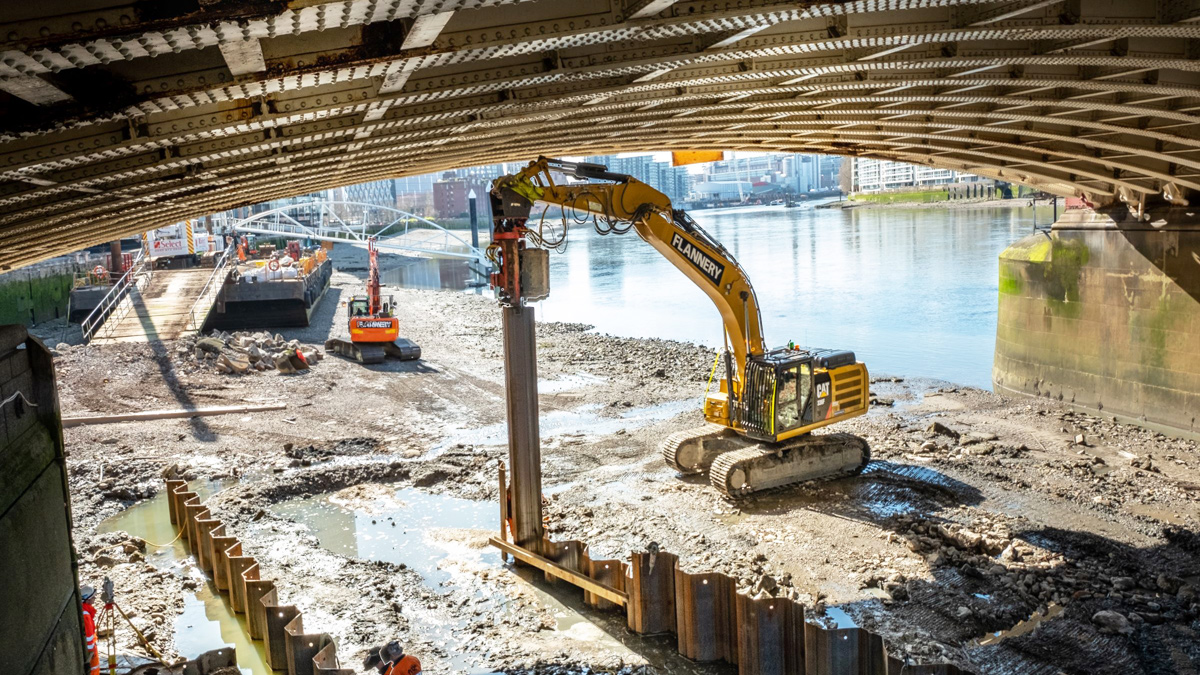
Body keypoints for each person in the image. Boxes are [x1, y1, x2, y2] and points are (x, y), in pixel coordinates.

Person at [81, 585, 100, 675]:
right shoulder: (86, 616)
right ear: (87, 600)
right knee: (94, 670)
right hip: (91, 651)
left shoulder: (85, 611)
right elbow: (88, 637)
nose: (95, 599)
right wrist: (92, 653)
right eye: (93, 597)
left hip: (90, 650)